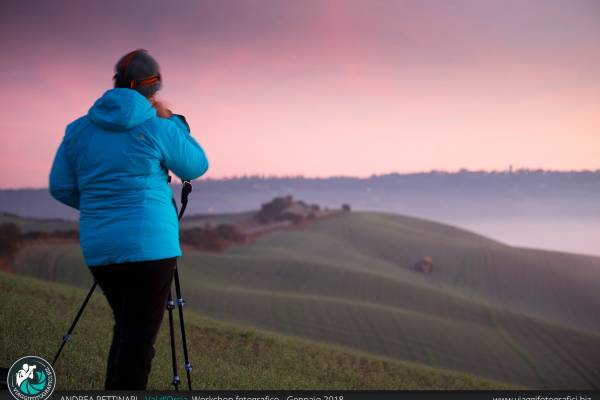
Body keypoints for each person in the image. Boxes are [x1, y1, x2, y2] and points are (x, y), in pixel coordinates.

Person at [48, 49, 209, 389]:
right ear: (153, 89)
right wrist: (174, 123)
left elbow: (61, 187)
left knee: (127, 331)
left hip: (100, 246)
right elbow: (195, 165)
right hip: (150, 247)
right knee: (137, 341)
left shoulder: (78, 129)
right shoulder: (158, 126)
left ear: (117, 83)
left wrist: (103, 208)